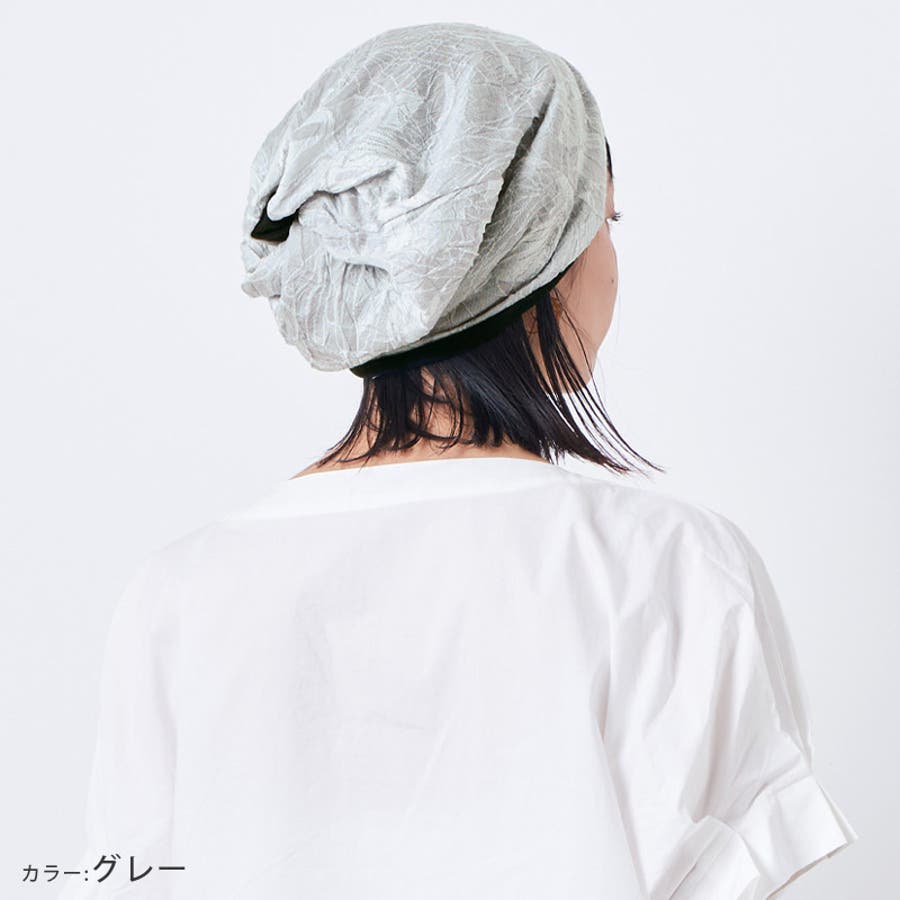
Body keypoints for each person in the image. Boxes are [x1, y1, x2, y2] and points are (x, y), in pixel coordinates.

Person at [60, 22, 858, 900]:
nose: (610, 261)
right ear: (534, 253)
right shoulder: (668, 567)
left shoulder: (176, 595)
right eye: (605, 221)